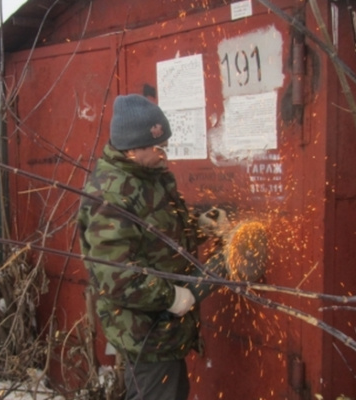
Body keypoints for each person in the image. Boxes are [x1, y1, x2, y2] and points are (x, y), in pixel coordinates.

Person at [77, 94, 208, 399]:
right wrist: (171, 296)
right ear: (132, 149)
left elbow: (161, 231)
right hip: (144, 332)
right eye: (158, 147)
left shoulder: (148, 177)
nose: (164, 155)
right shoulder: (111, 196)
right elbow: (118, 277)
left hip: (164, 330)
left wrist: (201, 225)